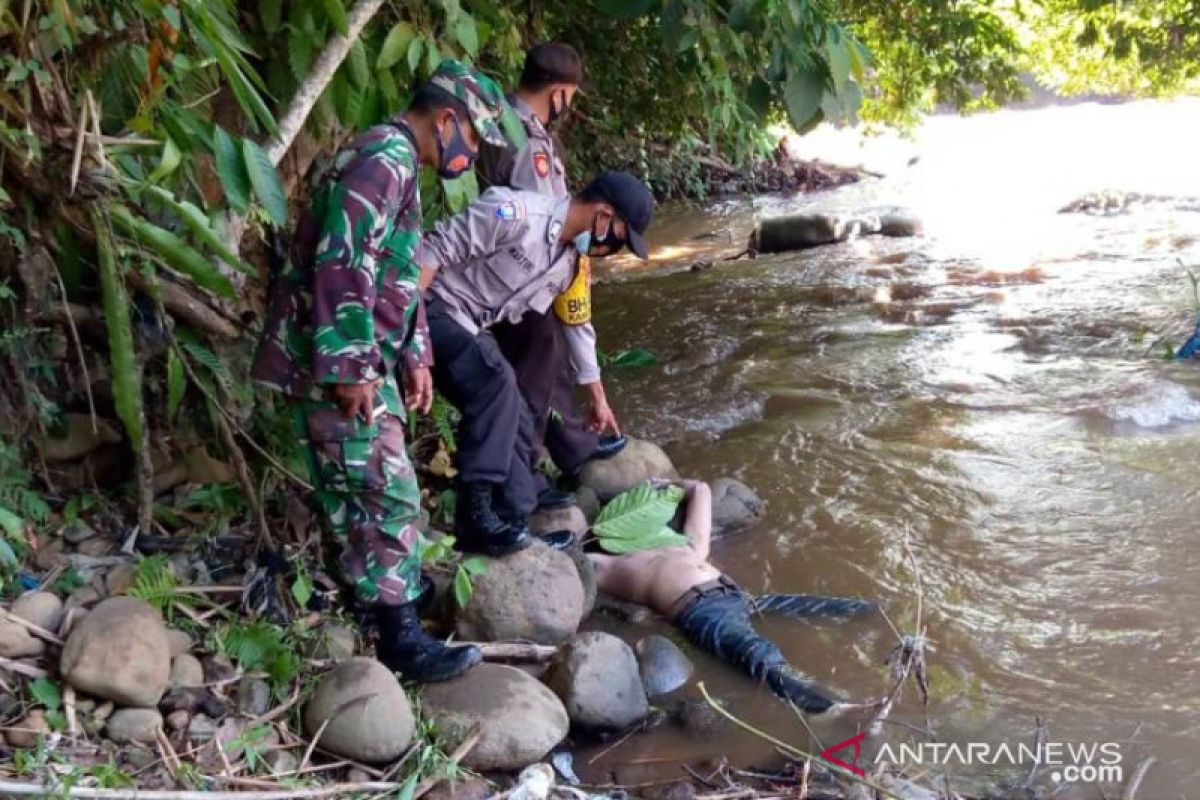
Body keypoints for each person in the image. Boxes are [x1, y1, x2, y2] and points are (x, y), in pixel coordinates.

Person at [251, 60, 511, 683]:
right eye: (473, 139)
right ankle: (401, 642)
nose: (471, 155)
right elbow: (341, 263)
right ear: (446, 120)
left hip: (366, 357)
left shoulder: (400, 166)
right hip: (339, 361)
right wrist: (349, 367)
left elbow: (399, 276)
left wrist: (416, 355)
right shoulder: (383, 161)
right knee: (386, 493)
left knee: (360, 490)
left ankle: (378, 605)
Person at [417, 171, 653, 556]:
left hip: (471, 325)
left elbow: (577, 326)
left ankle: (513, 522)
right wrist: (410, 336)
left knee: (521, 414)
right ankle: (473, 516)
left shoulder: (568, 265)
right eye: (621, 238)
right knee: (496, 384)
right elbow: (430, 253)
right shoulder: (516, 214)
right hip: (432, 305)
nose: (615, 249)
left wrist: (598, 397)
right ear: (604, 216)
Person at [475, 43, 627, 514]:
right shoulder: (528, 144)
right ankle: (523, 480)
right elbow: (544, 222)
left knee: (541, 369)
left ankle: (559, 450)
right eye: (572, 97)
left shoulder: (500, 121)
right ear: (559, 93)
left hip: (505, 274)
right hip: (524, 278)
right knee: (530, 379)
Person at [589, 480, 878, 714]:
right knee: (753, 651)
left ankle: (878, 613)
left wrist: (667, 484)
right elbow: (568, 562)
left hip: (736, 596)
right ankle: (824, 708)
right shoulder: (613, 565)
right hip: (699, 609)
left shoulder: (684, 544)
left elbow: (700, 489)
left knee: (818, 606)